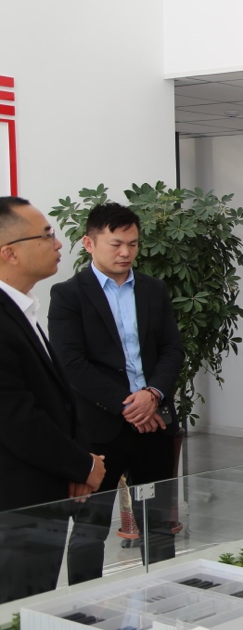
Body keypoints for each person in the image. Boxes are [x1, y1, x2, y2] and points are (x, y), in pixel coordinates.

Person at [48, 202, 185, 582]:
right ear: (89, 243)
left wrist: (152, 394)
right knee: (90, 528)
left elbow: (172, 349)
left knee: (158, 522)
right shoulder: (68, 295)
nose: (126, 252)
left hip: (154, 424)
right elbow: (71, 363)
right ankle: (83, 606)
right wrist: (131, 405)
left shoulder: (153, 290)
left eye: (133, 244)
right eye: (116, 244)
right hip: (99, 430)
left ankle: (163, 594)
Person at [0, 197, 106, 602]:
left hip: (41, 494)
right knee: (17, 613)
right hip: (16, 505)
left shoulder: (21, 309)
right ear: (9, 252)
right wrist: (83, 465)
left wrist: (78, 462)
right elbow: (16, 418)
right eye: (46, 235)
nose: (58, 243)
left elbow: (56, 400)